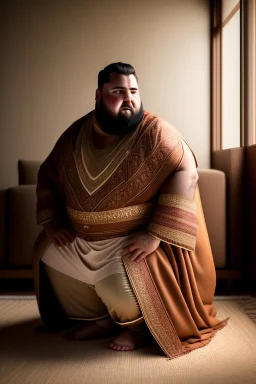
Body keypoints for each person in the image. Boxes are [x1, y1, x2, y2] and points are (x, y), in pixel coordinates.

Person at [33, 62, 226, 358]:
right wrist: (53, 221)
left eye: (133, 91)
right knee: (49, 255)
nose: (129, 98)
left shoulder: (157, 132)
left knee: (121, 288)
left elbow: (186, 173)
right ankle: (99, 321)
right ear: (98, 95)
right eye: (118, 91)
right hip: (80, 239)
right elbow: (48, 172)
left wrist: (154, 235)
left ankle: (133, 329)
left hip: (130, 243)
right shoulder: (76, 132)